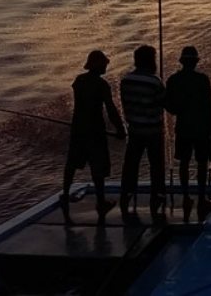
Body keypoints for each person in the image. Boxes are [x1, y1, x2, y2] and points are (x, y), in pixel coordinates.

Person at [61, 50, 126, 225]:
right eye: (104, 64)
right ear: (99, 65)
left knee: (72, 162)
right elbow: (111, 109)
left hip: (78, 127)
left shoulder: (79, 81)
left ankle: (65, 194)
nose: (106, 66)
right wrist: (121, 129)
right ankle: (101, 201)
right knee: (98, 166)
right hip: (95, 129)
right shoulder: (102, 85)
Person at [166, 46, 211, 220]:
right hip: (201, 128)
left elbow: (169, 106)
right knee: (202, 162)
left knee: (184, 162)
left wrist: (181, 108)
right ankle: (202, 197)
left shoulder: (173, 80)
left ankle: (186, 196)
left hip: (183, 128)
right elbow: (209, 107)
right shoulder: (202, 79)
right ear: (195, 62)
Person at [119, 45, 167, 221]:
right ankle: (157, 197)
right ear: (151, 60)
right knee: (157, 166)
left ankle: (126, 195)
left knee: (131, 165)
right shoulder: (155, 82)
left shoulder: (126, 80)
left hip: (134, 129)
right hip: (153, 130)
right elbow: (165, 103)